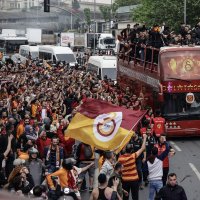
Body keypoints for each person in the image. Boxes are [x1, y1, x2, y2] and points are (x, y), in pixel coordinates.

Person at [118, 134, 147, 200]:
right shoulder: (133, 156)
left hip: (125, 180)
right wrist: (145, 138)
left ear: (125, 150)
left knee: (125, 197)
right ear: (131, 151)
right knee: (135, 197)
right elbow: (142, 148)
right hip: (134, 180)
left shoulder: (120, 158)